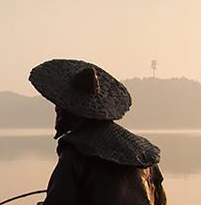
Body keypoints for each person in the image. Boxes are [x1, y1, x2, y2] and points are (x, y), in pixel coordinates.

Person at [28, 59, 167, 205]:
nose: (57, 111)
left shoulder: (75, 154)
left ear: (68, 111)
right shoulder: (143, 155)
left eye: (59, 106)